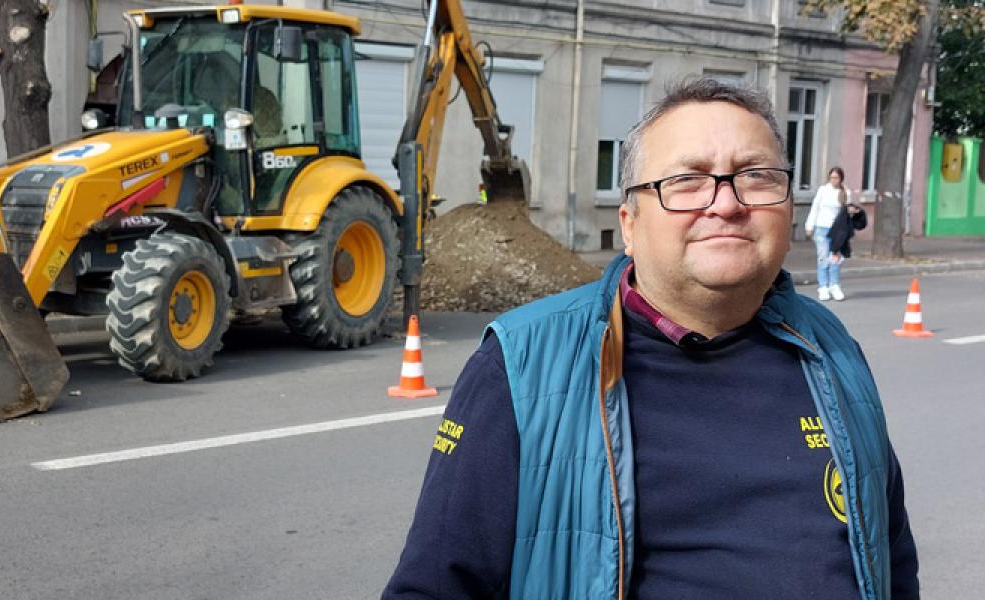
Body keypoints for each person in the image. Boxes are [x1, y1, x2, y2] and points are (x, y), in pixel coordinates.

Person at [382, 79, 918, 599]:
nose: (726, 204)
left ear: (789, 209)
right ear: (630, 225)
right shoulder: (523, 365)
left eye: (756, 176)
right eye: (687, 180)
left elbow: (891, 560)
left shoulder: (830, 349)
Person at [805, 167, 854, 301]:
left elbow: (848, 213)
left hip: (838, 231)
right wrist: (809, 225)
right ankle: (823, 287)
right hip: (821, 228)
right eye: (832, 177)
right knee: (823, 258)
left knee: (835, 259)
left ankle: (834, 285)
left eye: (836, 178)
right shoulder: (823, 190)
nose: (834, 180)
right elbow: (815, 208)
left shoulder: (845, 192)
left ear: (841, 179)